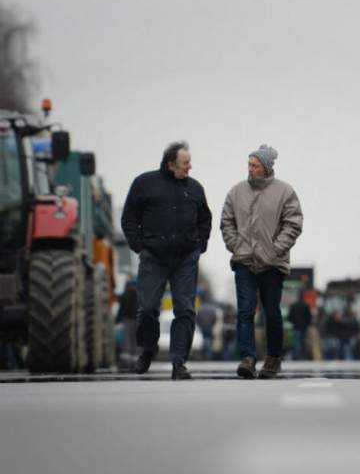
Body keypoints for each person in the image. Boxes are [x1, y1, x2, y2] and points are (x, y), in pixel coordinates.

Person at [121, 141, 212, 380]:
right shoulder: (144, 184)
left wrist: (200, 245)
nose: (190, 167)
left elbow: (205, 218)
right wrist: (139, 246)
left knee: (185, 310)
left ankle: (179, 362)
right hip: (154, 258)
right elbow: (129, 218)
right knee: (148, 308)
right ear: (171, 164)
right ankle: (147, 349)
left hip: (185, 259)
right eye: (185, 163)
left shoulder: (195, 188)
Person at [221, 145, 303, 379]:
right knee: (245, 311)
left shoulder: (285, 192)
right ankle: (247, 358)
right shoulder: (236, 192)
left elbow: (294, 223)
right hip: (244, 261)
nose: (250, 169)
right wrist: (235, 245)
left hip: (272, 264)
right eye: (249, 164)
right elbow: (227, 221)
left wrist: (276, 249)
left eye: (255, 165)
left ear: (266, 167)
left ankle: (273, 358)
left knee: (272, 312)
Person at [115, 279, 139, 365]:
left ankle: (127, 355)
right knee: (136, 337)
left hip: (128, 319)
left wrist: (117, 320)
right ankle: (136, 355)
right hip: (137, 319)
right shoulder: (139, 294)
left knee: (127, 337)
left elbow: (122, 308)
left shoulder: (125, 295)